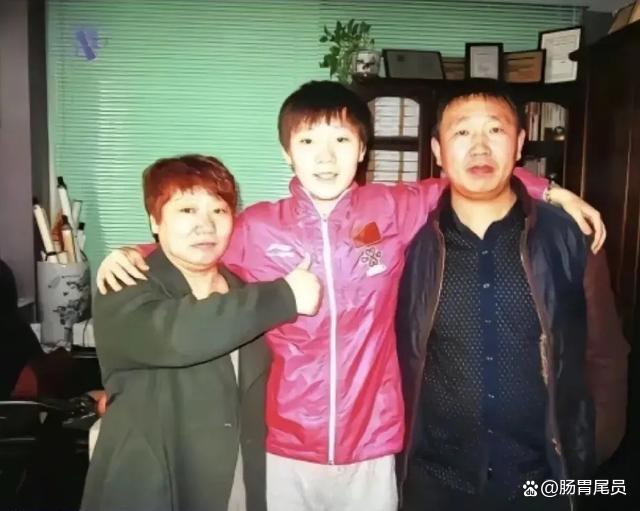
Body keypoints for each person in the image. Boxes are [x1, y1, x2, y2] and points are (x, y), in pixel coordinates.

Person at [95, 81, 606, 511]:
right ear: (287, 151)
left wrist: (549, 190)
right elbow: (201, 243)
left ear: (363, 150)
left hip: (373, 443)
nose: (325, 157)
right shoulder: (257, 228)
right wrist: (136, 251)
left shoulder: (393, 208)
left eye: (341, 139)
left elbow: (472, 176)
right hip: (284, 444)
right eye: (308, 141)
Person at [395, 82, 629, 511]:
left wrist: (589, 455)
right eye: (462, 132)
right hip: (435, 480)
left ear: (519, 143)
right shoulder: (406, 241)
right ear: (437, 150)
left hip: (545, 479)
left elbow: (605, 355)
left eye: (495, 130)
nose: (479, 147)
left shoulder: (569, 236)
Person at [80, 155, 320, 511]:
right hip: (153, 487)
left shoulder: (242, 291)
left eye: (219, 211)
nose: (205, 225)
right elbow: (178, 335)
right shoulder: (125, 284)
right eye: (187, 210)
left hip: (236, 488)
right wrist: (285, 296)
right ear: (155, 220)